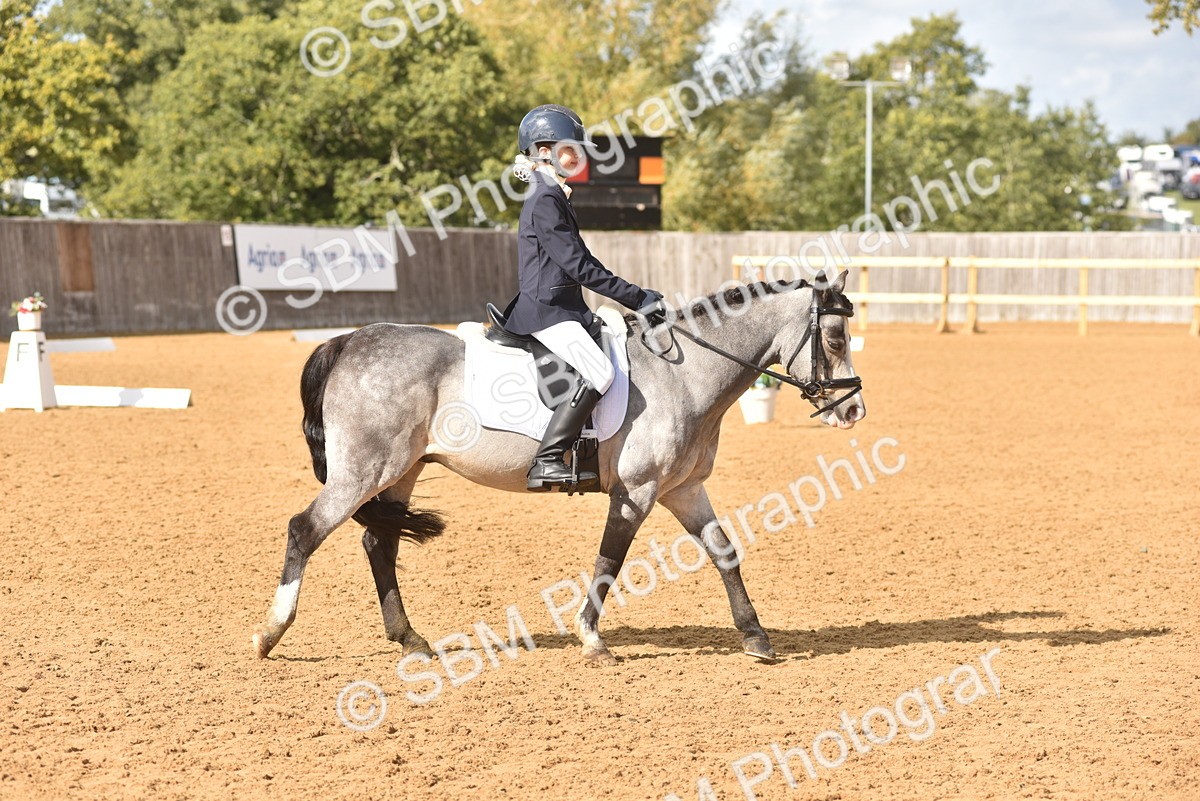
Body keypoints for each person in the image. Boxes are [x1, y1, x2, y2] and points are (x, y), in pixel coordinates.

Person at [502, 104, 665, 491]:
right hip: (546, 310)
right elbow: (579, 266)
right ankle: (546, 460)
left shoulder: (553, 193)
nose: (578, 155)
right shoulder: (545, 198)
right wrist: (637, 297)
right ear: (543, 150)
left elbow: (580, 262)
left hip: (563, 306)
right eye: (569, 148)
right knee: (600, 372)